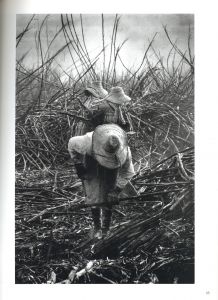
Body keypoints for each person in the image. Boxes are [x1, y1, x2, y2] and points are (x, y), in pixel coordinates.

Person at [68, 124, 136, 239]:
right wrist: (78, 163)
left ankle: (106, 229)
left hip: (112, 170)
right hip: (91, 166)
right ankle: (97, 228)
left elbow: (128, 173)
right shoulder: (86, 142)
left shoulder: (125, 152)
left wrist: (117, 190)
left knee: (109, 198)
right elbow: (71, 144)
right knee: (94, 196)